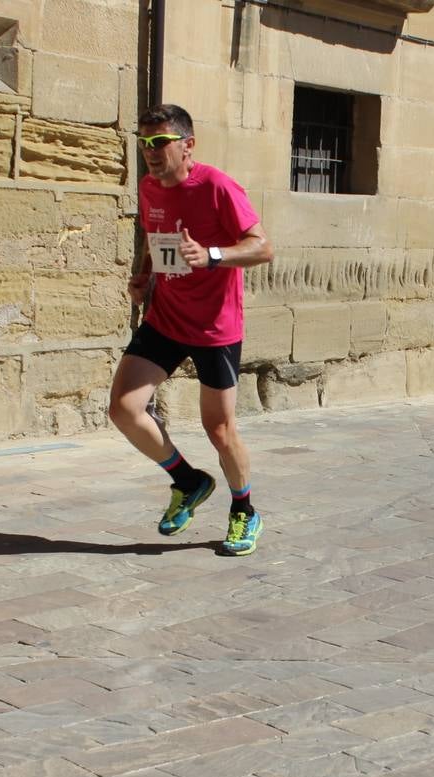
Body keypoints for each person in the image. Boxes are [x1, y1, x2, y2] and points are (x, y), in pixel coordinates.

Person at [109, 104, 274, 556]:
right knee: (124, 409)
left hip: (215, 327)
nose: (151, 152)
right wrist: (144, 276)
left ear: (187, 145)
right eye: (144, 144)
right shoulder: (148, 187)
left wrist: (214, 256)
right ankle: (188, 480)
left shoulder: (217, 186)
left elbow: (263, 248)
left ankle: (244, 510)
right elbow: (153, 235)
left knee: (218, 429)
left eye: (160, 142)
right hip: (166, 316)